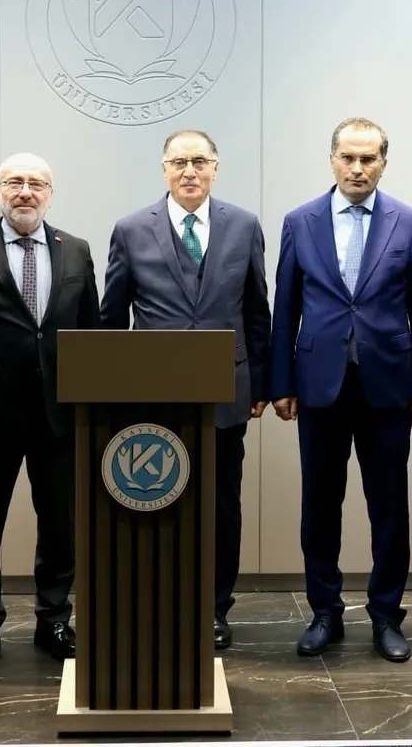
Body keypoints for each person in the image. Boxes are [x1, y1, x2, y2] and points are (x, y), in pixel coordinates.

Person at [268, 117, 412, 662]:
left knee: (389, 509)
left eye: (368, 159)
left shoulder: (408, 221)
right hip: (319, 387)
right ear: (332, 160)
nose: (357, 168)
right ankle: (325, 611)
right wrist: (281, 382)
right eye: (348, 157)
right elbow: (285, 309)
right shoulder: (301, 221)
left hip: (388, 387)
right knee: (320, 507)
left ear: (383, 163)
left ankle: (386, 614)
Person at [99, 129, 271, 650]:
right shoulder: (131, 229)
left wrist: (261, 382)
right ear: (164, 169)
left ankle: (215, 607)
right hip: (152, 393)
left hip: (226, 391)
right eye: (179, 162)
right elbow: (111, 317)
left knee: (221, 505)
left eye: (199, 161)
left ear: (216, 168)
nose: (189, 171)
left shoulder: (244, 225)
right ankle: (159, 600)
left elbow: (256, 309)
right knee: (155, 500)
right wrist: (111, 388)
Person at [0, 153, 100, 675]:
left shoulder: (77, 250)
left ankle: (54, 618)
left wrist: (92, 410)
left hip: (60, 415)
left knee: (60, 525)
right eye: (14, 183)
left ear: (50, 194)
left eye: (36, 184)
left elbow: (92, 335)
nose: (25, 192)